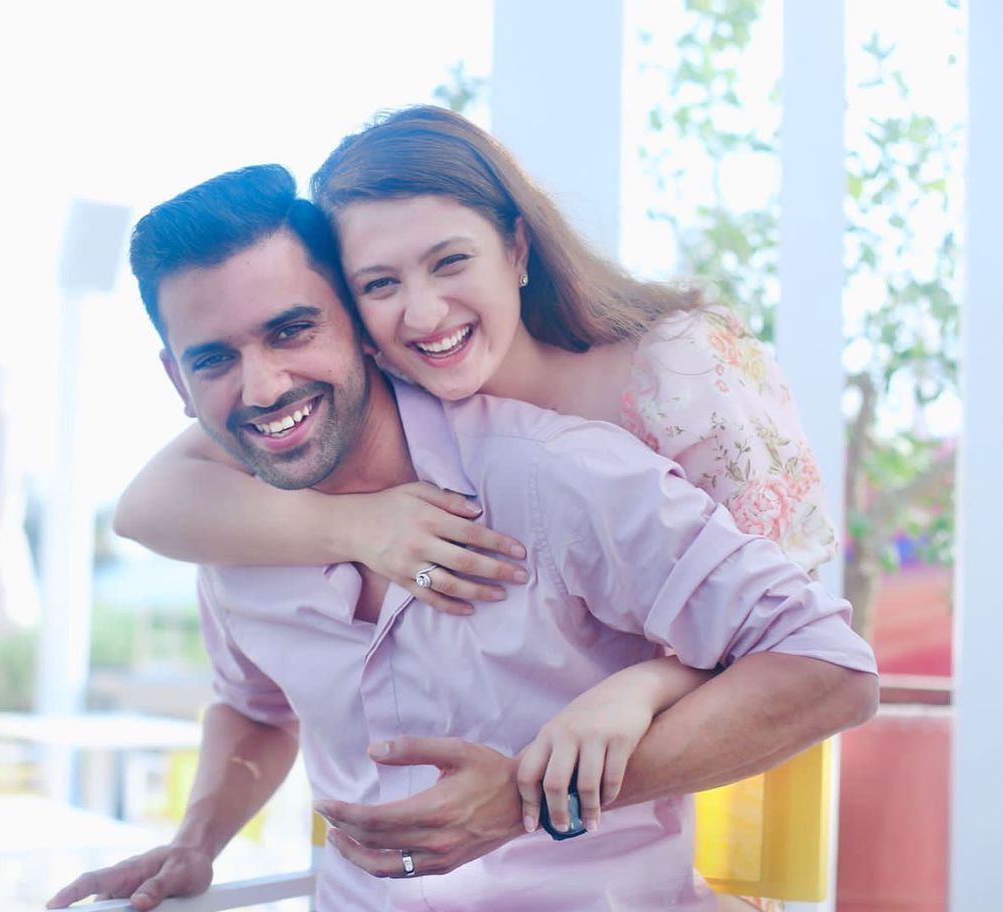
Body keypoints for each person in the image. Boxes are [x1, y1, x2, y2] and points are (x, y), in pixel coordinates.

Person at [48, 165, 877, 912]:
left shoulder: (554, 475)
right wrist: (197, 843)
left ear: (359, 327)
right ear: (176, 381)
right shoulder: (237, 534)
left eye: (292, 331)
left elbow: (829, 669)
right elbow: (255, 710)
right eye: (214, 360)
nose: (262, 386)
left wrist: (528, 799)